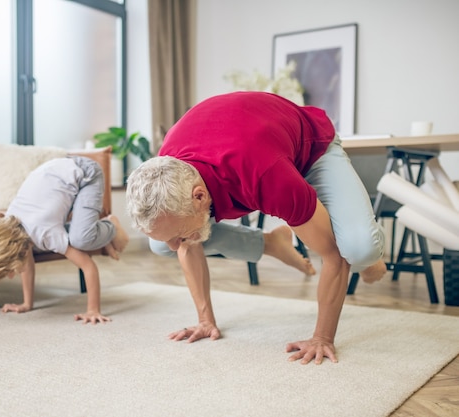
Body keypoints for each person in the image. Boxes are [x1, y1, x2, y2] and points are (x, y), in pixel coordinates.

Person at [126, 91, 387, 364]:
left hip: (312, 149)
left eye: (176, 235)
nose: (174, 244)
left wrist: (322, 338)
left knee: (357, 249)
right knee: (161, 245)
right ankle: (272, 243)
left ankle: (368, 246)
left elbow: (331, 255)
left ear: (199, 196)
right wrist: (205, 321)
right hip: (248, 149)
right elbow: (180, 242)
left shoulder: (266, 176)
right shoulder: (167, 173)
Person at [0, 156, 129, 324]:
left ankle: (111, 225)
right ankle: (103, 236)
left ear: (14, 250)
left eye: (9, 270)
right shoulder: (13, 225)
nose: (11, 276)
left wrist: (92, 310)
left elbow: (88, 266)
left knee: (81, 239)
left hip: (86, 174)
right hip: (57, 173)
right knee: (69, 237)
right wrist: (27, 303)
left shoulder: (44, 232)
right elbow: (26, 260)